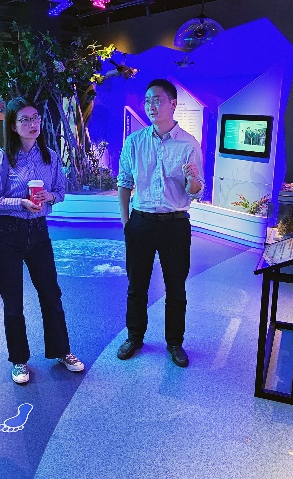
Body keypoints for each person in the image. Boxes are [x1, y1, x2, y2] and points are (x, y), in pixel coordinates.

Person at [0, 97, 84, 384]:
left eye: (35, 118)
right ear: (13, 126)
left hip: (39, 232)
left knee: (51, 294)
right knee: (13, 301)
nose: (32, 124)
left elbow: (60, 191)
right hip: (9, 234)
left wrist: (49, 197)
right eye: (24, 120)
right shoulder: (1, 159)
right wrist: (19, 203)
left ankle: (62, 350)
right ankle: (19, 360)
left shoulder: (50, 156)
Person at [116, 79, 204, 367]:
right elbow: (124, 182)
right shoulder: (135, 142)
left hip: (175, 224)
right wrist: (126, 222)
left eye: (157, 100)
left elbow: (195, 191)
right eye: (147, 101)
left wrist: (192, 179)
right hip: (140, 221)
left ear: (173, 104)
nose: (151, 106)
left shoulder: (189, 144)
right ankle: (134, 336)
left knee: (175, 288)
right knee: (136, 286)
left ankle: (175, 342)